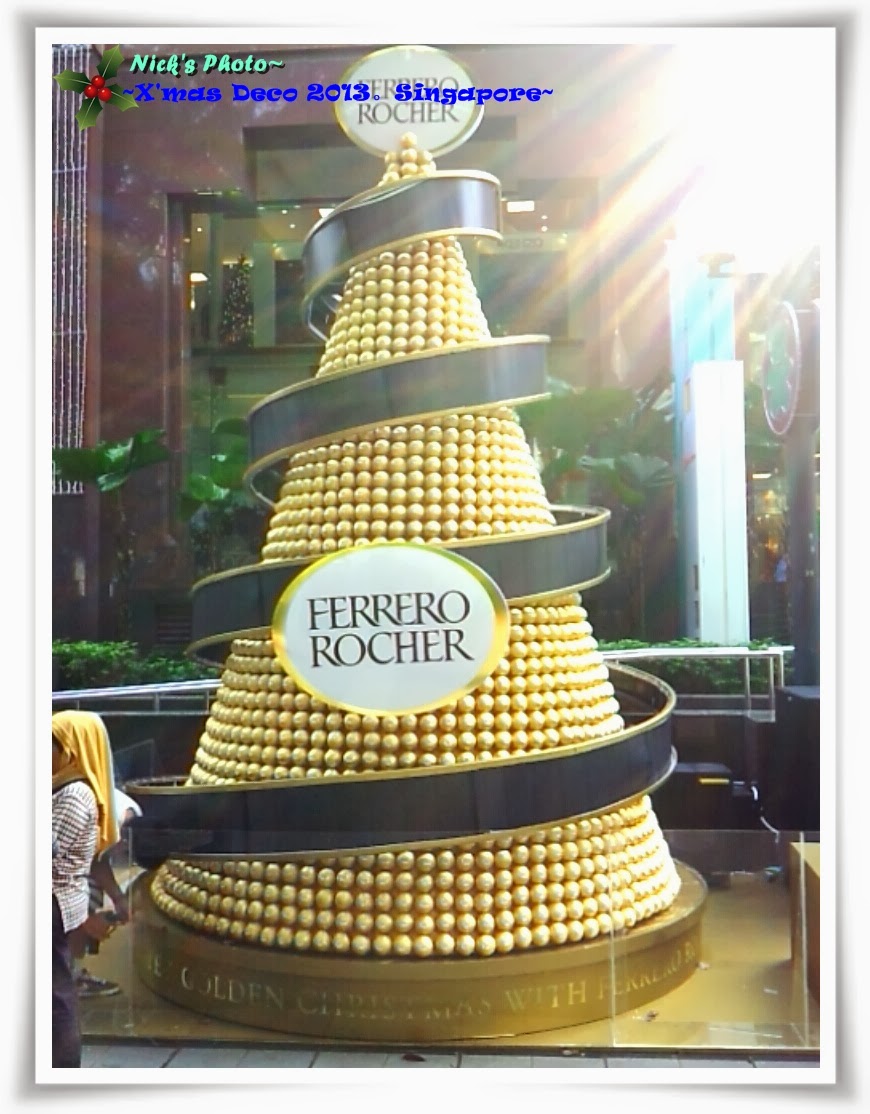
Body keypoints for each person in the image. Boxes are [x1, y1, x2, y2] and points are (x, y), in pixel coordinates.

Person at [51, 711, 123, 1067]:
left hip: (53, 900)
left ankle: (62, 1067)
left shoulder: (75, 794)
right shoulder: (60, 787)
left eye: (51, 745)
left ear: (72, 749)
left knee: (55, 991)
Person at [74, 787, 141, 998]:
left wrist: (118, 898)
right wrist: (83, 921)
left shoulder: (125, 812)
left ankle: (71, 970)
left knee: (92, 890)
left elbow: (97, 859)